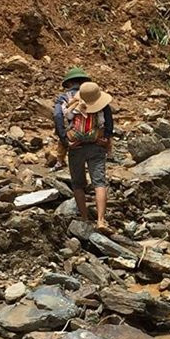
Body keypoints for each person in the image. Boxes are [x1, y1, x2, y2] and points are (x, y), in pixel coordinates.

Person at [53, 70, 114, 231]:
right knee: (99, 183)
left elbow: (58, 117)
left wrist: (65, 141)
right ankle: (101, 220)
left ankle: (85, 219)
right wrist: (106, 137)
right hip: (96, 145)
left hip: (76, 145)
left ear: (68, 83)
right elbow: (109, 119)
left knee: (78, 184)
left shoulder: (64, 99)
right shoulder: (97, 96)